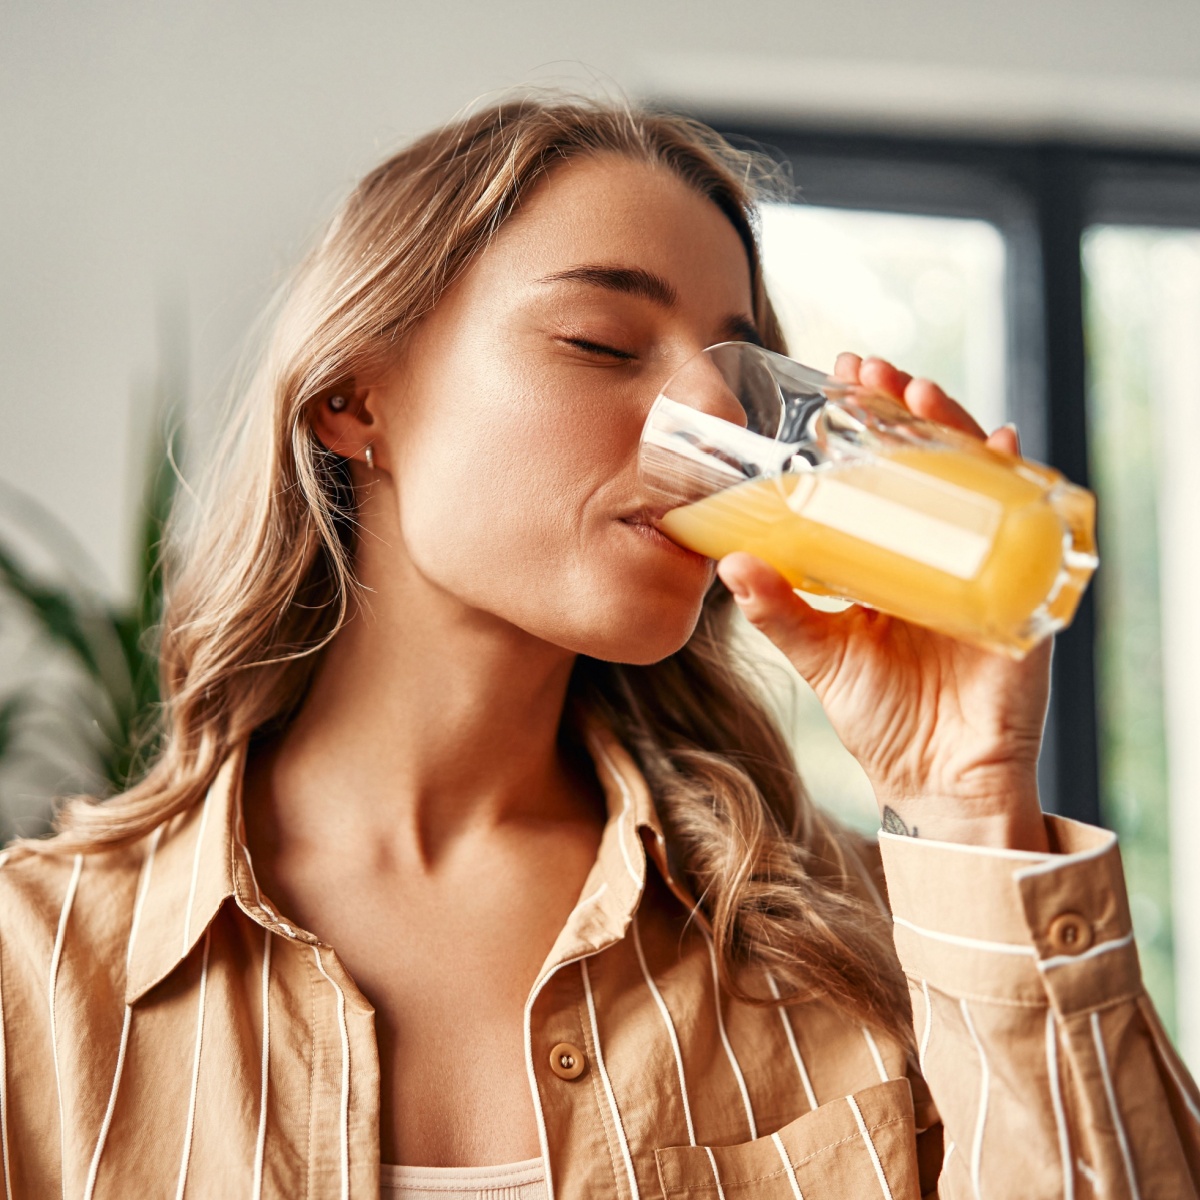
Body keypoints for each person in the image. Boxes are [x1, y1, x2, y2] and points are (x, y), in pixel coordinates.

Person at [0, 94, 1196, 1200]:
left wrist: (972, 799)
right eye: (600, 343)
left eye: (733, 370)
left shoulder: (860, 942)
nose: (711, 416)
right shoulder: (36, 977)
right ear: (354, 400)